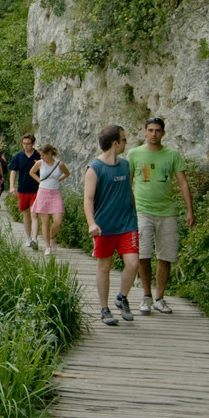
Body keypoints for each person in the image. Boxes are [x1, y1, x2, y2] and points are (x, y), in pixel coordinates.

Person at [128, 117, 195, 315]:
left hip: (167, 212)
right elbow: (127, 183)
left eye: (157, 130)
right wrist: (128, 209)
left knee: (166, 256)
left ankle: (160, 298)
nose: (153, 134)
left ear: (163, 133)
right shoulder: (134, 154)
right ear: (145, 132)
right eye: (150, 130)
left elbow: (183, 182)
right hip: (142, 210)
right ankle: (146, 296)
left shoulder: (172, 154)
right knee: (144, 254)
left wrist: (190, 209)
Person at [84, 125, 139, 326]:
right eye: (124, 140)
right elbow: (88, 199)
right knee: (104, 267)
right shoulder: (95, 168)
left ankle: (122, 298)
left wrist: (135, 214)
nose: (126, 143)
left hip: (127, 223)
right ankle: (104, 309)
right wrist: (92, 224)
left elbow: (128, 192)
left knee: (133, 263)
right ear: (115, 143)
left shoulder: (125, 166)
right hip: (104, 226)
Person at [28, 144, 70, 255]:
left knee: (58, 220)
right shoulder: (40, 163)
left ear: (50, 154)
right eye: (41, 155)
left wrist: (58, 180)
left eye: (43, 155)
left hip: (55, 193)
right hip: (43, 192)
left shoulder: (59, 164)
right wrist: (40, 181)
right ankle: (48, 247)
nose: (42, 157)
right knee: (45, 221)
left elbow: (67, 173)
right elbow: (31, 172)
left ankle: (51, 236)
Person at [8, 133, 43, 249]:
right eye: (24, 144)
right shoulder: (18, 156)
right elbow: (13, 171)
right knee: (26, 214)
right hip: (22, 188)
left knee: (34, 213)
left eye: (28, 144)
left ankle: (34, 239)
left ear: (33, 144)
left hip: (36, 189)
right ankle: (28, 238)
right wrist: (12, 186)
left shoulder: (38, 156)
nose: (26, 146)